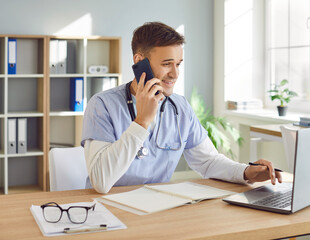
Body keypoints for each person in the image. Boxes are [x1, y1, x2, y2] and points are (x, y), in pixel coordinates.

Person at [81, 22, 282, 194]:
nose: (175, 74)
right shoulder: (102, 105)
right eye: (167, 64)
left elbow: (209, 162)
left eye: (178, 64)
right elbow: (101, 181)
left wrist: (247, 172)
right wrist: (141, 122)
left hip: (156, 208)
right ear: (139, 62)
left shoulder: (180, 107)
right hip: (108, 210)